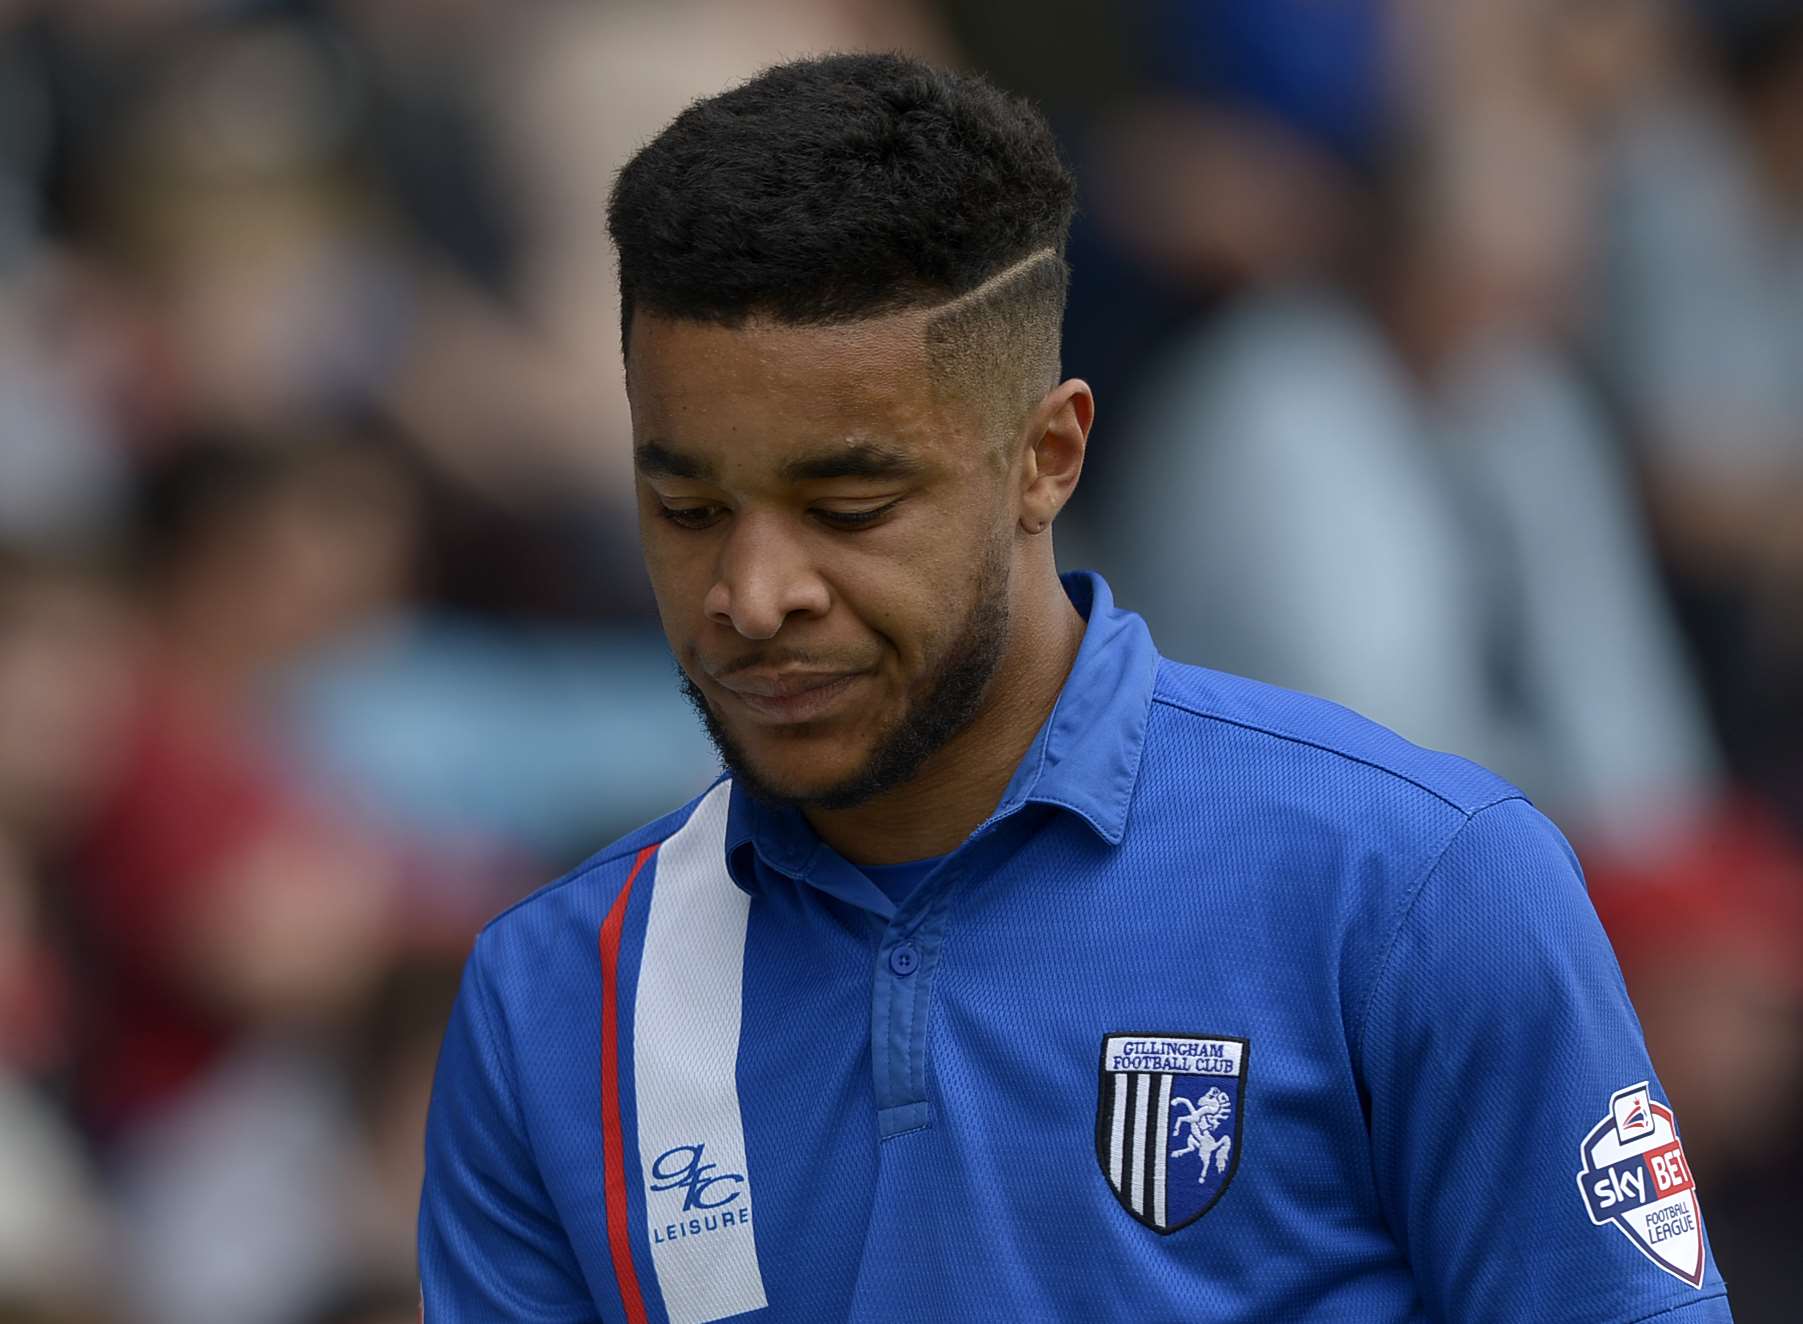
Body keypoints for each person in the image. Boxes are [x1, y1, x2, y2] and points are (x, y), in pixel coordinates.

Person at [418, 53, 1735, 1322]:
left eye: (850, 506)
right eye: (687, 505)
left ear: (1048, 457)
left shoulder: (1419, 888)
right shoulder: (552, 999)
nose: (753, 594)